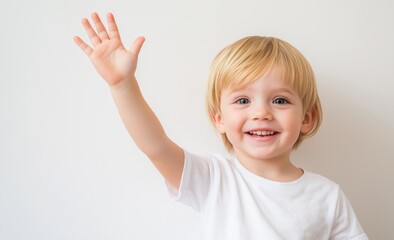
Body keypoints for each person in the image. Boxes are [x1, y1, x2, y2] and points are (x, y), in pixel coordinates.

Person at [74, 12, 369, 240]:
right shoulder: (213, 179)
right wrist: (123, 85)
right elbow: (156, 147)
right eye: (242, 101)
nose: (261, 113)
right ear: (220, 120)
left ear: (307, 118)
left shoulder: (327, 195)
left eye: (279, 100)